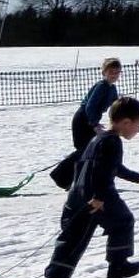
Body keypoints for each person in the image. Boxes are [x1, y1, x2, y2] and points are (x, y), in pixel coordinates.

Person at [45, 96, 139, 278]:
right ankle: (118, 265)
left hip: (77, 196)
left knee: (73, 237)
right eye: (138, 126)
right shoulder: (112, 141)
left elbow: (114, 168)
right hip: (99, 196)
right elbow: (101, 171)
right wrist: (98, 197)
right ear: (126, 122)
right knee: (124, 221)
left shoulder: (98, 138)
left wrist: (138, 177)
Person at [49, 59, 122, 190]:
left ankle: (73, 180)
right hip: (82, 120)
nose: (114, 75)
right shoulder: (101, 86)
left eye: (117, 72)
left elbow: (115, 106)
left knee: (90, 151)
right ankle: (60, 176)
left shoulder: (112, 88)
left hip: (90, 121)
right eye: (111, 72)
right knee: (85, 151)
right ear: (104, 72)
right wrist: (93, 124)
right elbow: (90, 106)